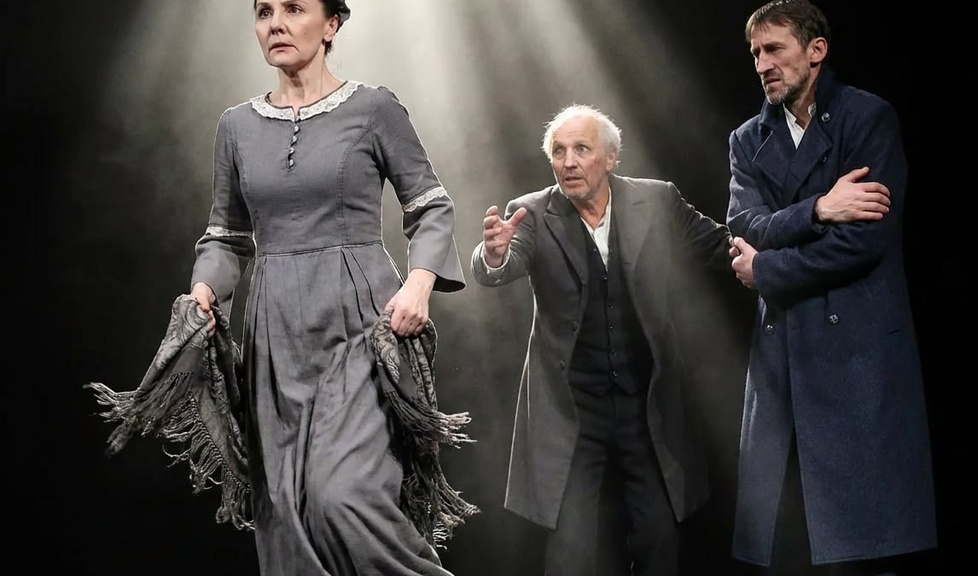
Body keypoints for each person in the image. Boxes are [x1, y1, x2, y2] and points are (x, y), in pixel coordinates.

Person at [187, 1, 471, 574]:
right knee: (285, 511)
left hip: (358, 324)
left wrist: (419, 285)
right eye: (264, 11)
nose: (276, 23)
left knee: (342, 497)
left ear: (332, 24)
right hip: (275, 338)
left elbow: (431, 207)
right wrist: (203, 291)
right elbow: (226, 236)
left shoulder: (373, 108)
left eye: (294, 8)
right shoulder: (236, 126)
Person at [471, 104, 734, 576]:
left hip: (645, 405)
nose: (569, 162)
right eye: (559, 152)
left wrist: (794, 239)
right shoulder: (531, 213)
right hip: (572, 410)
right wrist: (492, 254)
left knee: (659, 538)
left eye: (581, 149)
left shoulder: (656, 200)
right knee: (570, 552)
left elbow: (722, 245)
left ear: (611, 157)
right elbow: (500, 265)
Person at [725, 1, 937, 575]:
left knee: (864, 546)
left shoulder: (866, 118)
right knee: (788, 545)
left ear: (816, 49)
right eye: (755, 53)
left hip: (857, 354)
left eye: (774, 49)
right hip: (781, 358)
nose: (762, 65)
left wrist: (767, 272)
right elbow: (744, 228)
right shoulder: (747, 139)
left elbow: (863, 242)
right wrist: (820, 207)